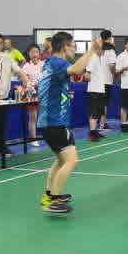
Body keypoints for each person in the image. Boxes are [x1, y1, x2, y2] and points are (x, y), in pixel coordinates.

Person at [38, 32, 102, 214]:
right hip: (54, 121)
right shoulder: (57, 62)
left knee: (61, 160)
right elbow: (76, 70)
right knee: (71, 160)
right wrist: (92, 51)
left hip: (53, 121)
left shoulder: (51, 63)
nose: (74, 50)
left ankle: (49, 195)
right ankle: (54, 201)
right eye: (73, 46)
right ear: (65, 47)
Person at [0, 32, 29, 155]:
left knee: (1, 124)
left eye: (0, 43)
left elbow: (20, 71)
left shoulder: (7, 57)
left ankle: (0, 147)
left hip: (4, 97)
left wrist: (28, 84)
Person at [84, 41, 109, 142]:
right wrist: (89, 77)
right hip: (94, 90)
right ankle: (92, 133)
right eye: (103, 49)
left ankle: (95, 132)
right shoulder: (92, 58)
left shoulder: (100, 58)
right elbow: (87, 75)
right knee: (93, 112)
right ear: (98, 49)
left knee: (98, 112)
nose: (104, 52)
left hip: (100, 89)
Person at [22, 44, 44, 147]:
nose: (34, 54)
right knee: (33, 117)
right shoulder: (26, 66)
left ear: (39, 53)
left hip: (43, 92)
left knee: (43, 115)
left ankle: (47, 137)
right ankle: (33, 139)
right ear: (29, 54)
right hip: (31, 93)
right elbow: (24, 82)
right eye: (32, 52)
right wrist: (31, 85)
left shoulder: (44, 64)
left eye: (36, 52)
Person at [98, 30, 117, 130]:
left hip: (96, 81)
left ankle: (101, 123)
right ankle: (102, 124)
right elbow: (111, 66)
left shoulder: (97, 50)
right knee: (104, 103)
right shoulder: (111, 51)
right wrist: (115, 72)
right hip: (106, 81)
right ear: (109, 38)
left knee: (98, 103)